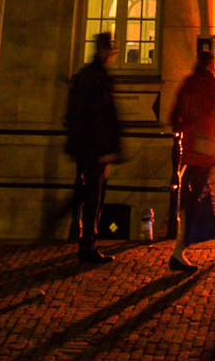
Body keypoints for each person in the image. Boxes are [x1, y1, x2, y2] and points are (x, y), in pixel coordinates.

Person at [168, 42, 215, 272]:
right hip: (205, 145)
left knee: (202, 190)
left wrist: (181, 129)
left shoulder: (188, 82)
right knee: (197, 194)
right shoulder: (211, 84)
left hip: (189, 143)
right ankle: (180, 250)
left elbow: (175, 113)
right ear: (211, 64)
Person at [63, 31, 123, 264]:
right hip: (95, 149)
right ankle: (87, 246)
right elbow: (102, 115)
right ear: (104, 51)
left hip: (86, 147)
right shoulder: (98, 77)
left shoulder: (87, 76)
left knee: (87, 194)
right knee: (93, 198)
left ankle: (85, 242)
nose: (113, 55)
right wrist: (107, 147)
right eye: (111, 50)